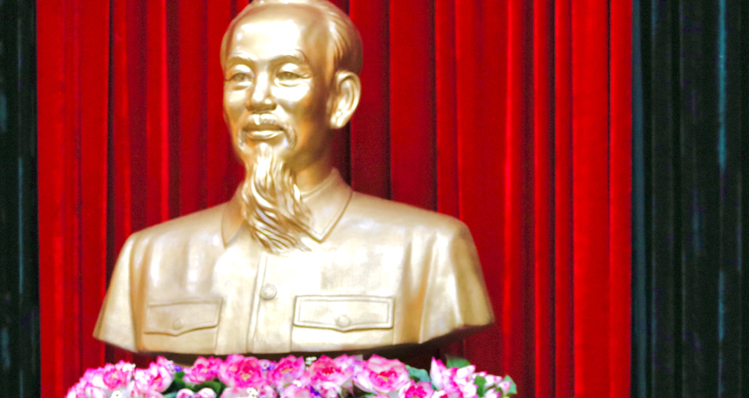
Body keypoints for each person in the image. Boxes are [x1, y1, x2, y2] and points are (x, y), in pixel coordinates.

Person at [93, 0, 494, 358]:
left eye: (286, 74)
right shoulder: (148, 259)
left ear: (340, 99)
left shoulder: (428, 251)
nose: (257, 98)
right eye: (240, 76)